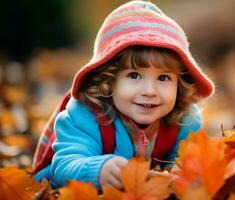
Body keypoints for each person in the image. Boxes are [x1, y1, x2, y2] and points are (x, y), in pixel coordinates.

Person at [34, 0, 214, 190]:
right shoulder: (85, 115)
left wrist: (177, 177)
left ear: (180, 82)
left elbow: (184, 165)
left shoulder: (185, 120)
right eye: (134, 75)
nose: (150, 91)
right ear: (108, 80)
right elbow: (63, 166)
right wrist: (100, 170)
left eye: (163, 78)